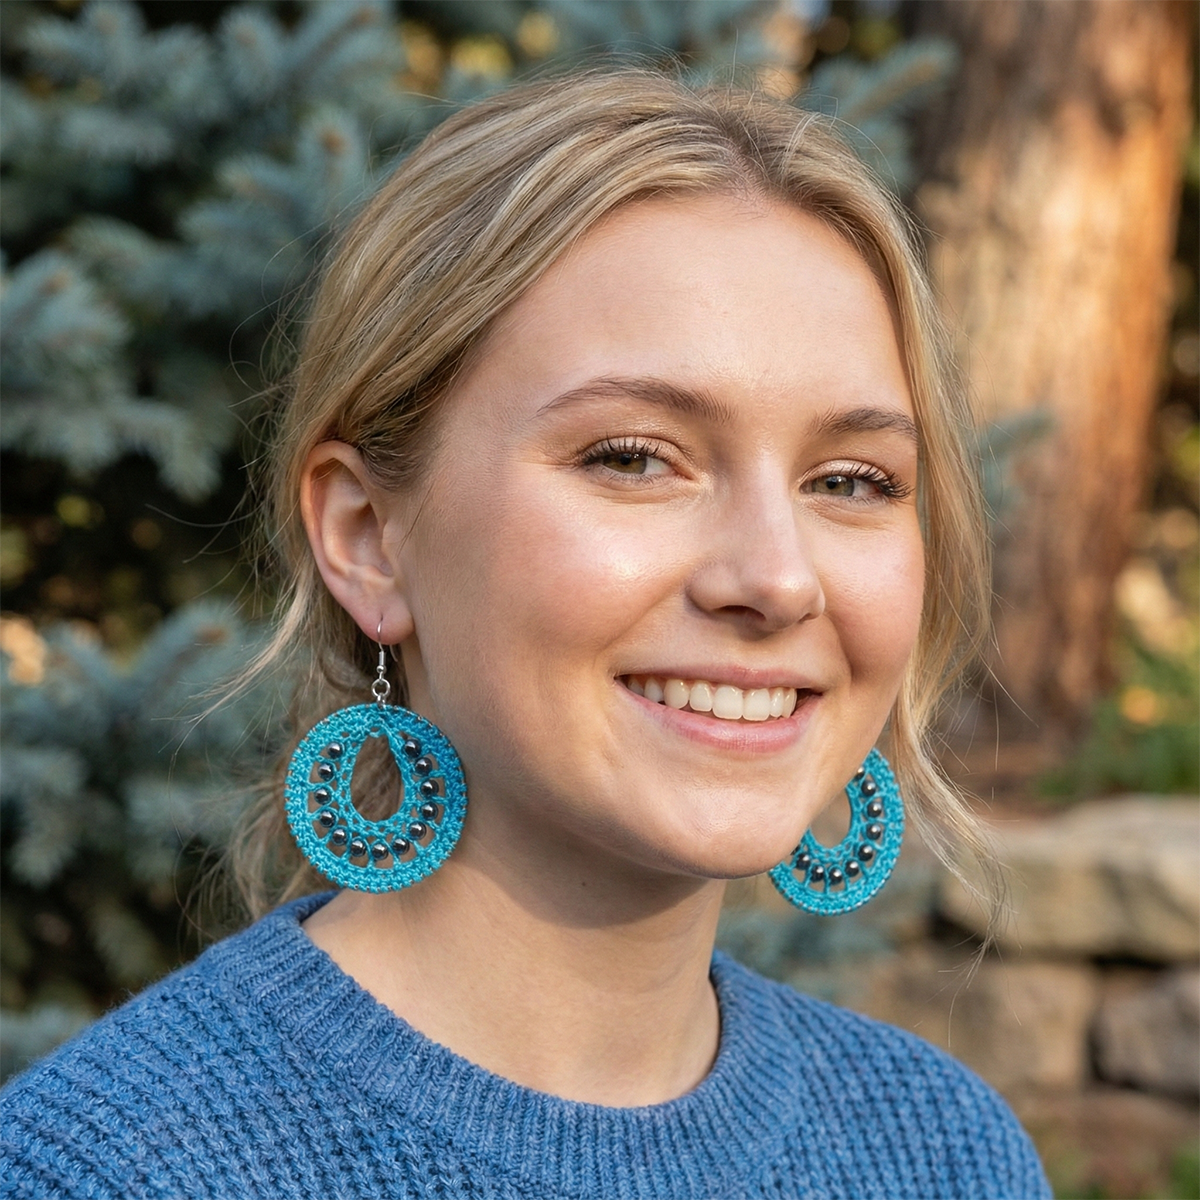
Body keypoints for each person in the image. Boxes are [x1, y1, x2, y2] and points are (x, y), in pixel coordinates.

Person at [0, 69, 1050, 1198]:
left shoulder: (942, 1153)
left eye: (851, 478)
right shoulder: (103, 1169)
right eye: (634, 457)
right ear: (367, 538)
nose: (779, 580)